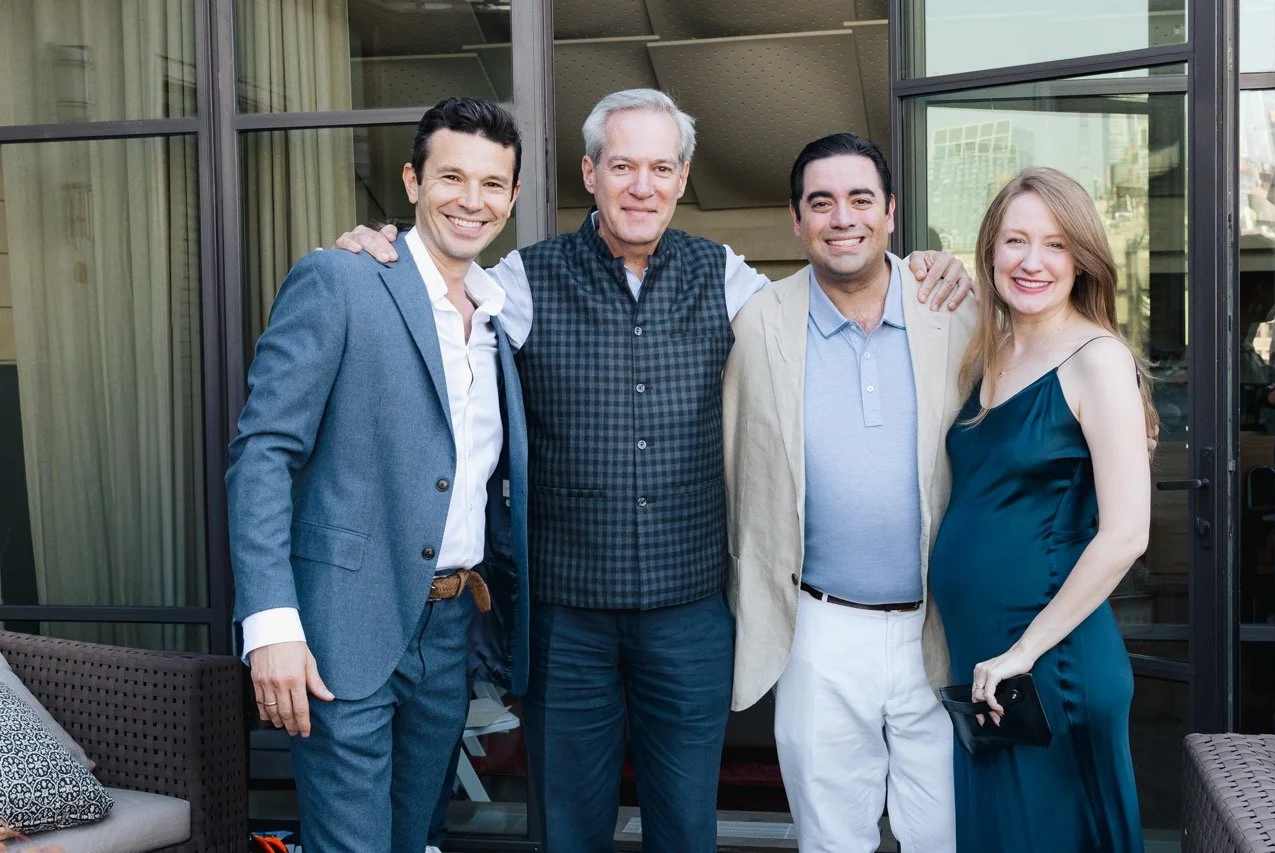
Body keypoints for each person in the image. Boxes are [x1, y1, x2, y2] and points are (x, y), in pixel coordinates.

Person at [334, 89, 970, 853]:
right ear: (590, 173)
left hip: (689, 614)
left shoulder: (726, 276)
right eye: (623, 166)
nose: (642, 186)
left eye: (661, 168)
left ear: (682, 177)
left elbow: (830, 295)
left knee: (685, 828)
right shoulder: (523, 280)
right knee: (571, 830)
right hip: (566, 618)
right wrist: (378, 249)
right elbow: (428, 293)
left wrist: (922, 269)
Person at [225, 97, 529, 853]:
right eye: (451, 177)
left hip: (449, 627)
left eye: (492, 184)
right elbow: (264, 451)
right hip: (343, 624)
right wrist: (271, 624)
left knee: (415, 837)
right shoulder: (343, 280)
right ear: (413, 181)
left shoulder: (501, 312)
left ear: (513, 197)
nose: (472, 200)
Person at [724, 133, 977, 853]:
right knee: (832, 838)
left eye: (861, 199)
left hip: (941, 626)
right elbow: (731, 461)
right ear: (796, 219)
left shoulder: (956, 310)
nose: (842, 218)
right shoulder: (757, 322)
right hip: (818, 629)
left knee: (946, 835)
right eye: (821, 202)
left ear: (891, 212)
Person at [929, 166, 1155, 853]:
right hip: (986, 660)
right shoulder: (989, 353)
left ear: (1082, 258)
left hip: (1049, 662)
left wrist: (1023, 652)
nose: (1033, 261)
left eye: (1056, 244)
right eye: (1016, 240)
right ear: (990, 250)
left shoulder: (1097, 359)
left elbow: (1126, 534)